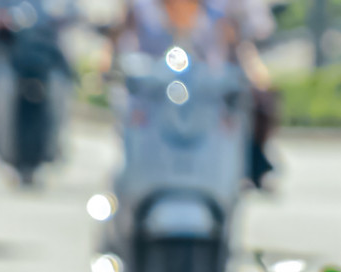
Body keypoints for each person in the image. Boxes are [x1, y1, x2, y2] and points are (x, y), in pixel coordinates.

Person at [108, 0, 276, 185]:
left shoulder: (217, 12)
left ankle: (250, 171)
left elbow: (238, 47)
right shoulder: (143, 10)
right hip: (153, 108)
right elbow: (124, 51)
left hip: (204, 106)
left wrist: (251, 69)